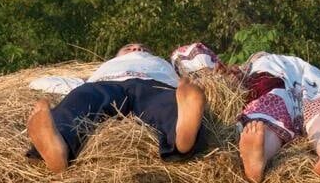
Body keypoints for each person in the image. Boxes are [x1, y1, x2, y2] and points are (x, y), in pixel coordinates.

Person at [173, 46, 320, 182]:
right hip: (284, 90)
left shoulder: (253, 67)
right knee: (268, 119)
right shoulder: (249, 79)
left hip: (306, 87)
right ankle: (257, 158)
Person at [27, 43, 206, 172]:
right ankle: (57, 145)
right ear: (116, 56)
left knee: (166, 104)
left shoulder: (162, 62)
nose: (136, 49)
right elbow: (71, 84)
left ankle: (182, 135)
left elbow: (198, 61)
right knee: (80, 99)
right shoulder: (106, 66)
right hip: (108, 83)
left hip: (153, 85)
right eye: (129, 48)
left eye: (142, 48)